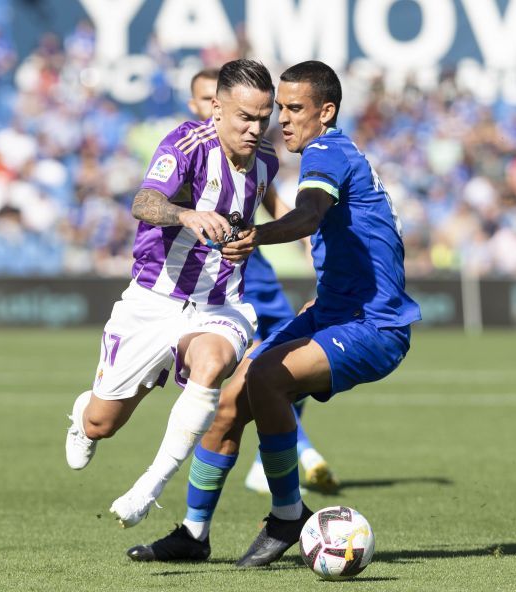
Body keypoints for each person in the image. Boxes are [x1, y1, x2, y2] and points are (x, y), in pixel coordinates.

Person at [126, 61, 421, 566]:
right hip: (336, 310)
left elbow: (307, 215)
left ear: (325, 112)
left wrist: (256, 235)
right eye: (278, 108)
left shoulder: (327, 150)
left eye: (295, 108)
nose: (281, 120)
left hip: (374, 325)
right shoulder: (332, 154)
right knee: (231, 395)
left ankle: (287, 514)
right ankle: (194, 534)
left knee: (265, 379)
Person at [63, 59, 279, 527]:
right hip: (152, 301)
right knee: (104, 422)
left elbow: (246, 219)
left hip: (220, 304)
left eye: (265, 117)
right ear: (217, 110)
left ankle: (150, 486)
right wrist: (187, 216)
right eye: (245, 117)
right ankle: (84, 417)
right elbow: (144, 202)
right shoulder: (186, 144)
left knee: (213, 362)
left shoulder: (267, 162)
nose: (256, 128)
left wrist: (245, 241)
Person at [188, 67, 340, 495]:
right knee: (262, 368)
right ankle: (299, 453)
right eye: (203, 102)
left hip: (258, 269)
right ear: (204, 106)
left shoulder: (255, 152)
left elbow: (270, 197)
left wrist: (304, 235)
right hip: (219, 277)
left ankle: (268, 460)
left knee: (292, 359)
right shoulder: (190, 153)